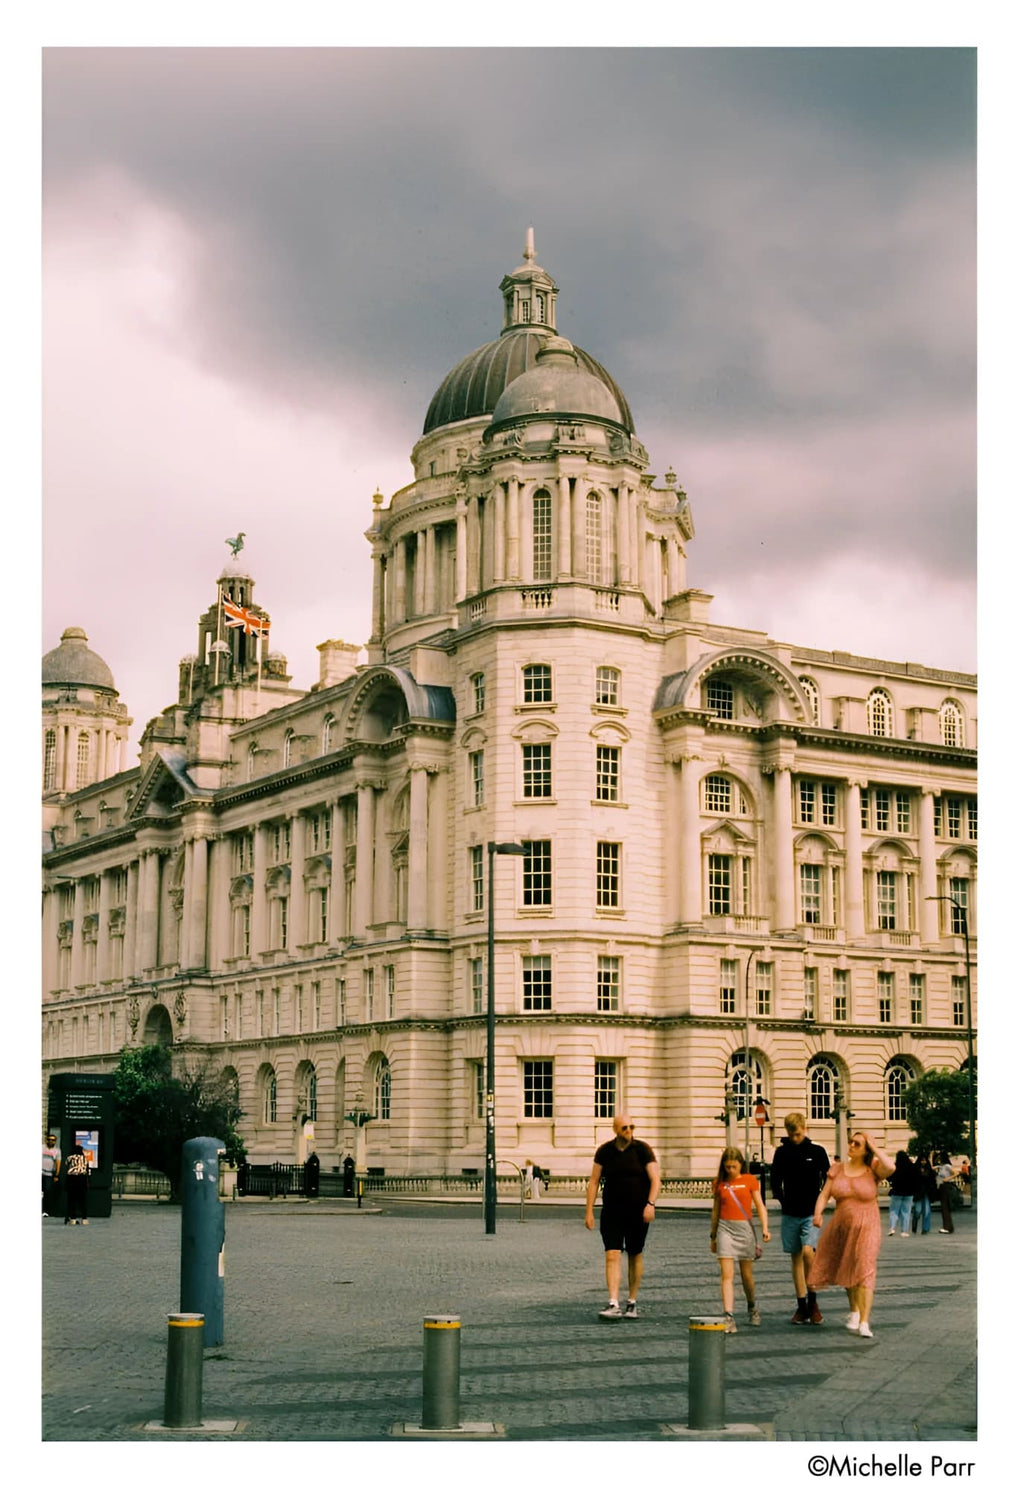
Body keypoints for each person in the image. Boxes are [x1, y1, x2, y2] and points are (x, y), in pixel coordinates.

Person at [808, 1130, 895, 1338]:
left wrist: (873, 1147)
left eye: (857, 1144)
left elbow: (891, 1167)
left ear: (865, 1149)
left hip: (868, 1224)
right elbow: (824, 1194)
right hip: (842, 1225)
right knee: (847, 1267)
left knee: (865, 1267)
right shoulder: (837, 1169)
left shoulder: (872, 1169)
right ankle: (854, 1310)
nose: (852, 1146)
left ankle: (864, 1321)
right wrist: (818, 1213)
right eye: (851, 1142)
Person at [584, 1113, 660, 1320]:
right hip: (612, 1211)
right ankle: (613, 1301)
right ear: (616, 1130)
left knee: (635, 1254)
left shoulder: (642, 1150)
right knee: (612, 1254)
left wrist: (650, 1204)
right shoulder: (605, 1151)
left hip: (638, 1212)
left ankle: (632, 1301)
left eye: (632, 1127)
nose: (629, 1131)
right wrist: (589, 1210)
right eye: (625, 1128)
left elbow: (655, 1179)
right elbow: (593, 1181)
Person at [770, 1112, 830, 1325]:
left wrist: (822, 1203)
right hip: (790, 1213)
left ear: (805, 1129)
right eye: (791, 1135)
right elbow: (775, 1180)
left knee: (807, 1252)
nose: (795, 1138)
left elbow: (829, 1177)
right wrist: (783, 1200)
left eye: (798, 1134)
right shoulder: (782, 1153)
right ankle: (801, 1304)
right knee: (795, 1258)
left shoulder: (817, 1151)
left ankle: (813, 1301)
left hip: (811, 1213)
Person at [710, 1147, 771, 1332]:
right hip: (725, 1228)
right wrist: (713, 1235)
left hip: (744, 1229)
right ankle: (728, 1315)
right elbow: (715, 1210)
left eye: (734, 1167)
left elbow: (760, 1205)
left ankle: (752, 1306)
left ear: (740, 1165)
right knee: (727, 1275)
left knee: (747, 1276)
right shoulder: (719, 1183)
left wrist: (765, 1227)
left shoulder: (749, 1180)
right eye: (727, 1167)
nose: (730, 1170)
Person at [886, 1151, 917, 1237]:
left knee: (894, 1211)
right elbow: (916, 1178)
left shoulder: (895, 1166)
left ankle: (892, 1228)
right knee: (906, 1212)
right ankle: (904, 1231)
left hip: (897, 1191)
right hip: (909, 1192)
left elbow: (888, 1177)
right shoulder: (911, 1166)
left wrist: (892, 1183)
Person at [63, 1142, 90, 1225]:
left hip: (72, 1179)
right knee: (82, 1200)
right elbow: (87, 1170)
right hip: (82, 1179)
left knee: (72, 1199)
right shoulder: (85, 1159)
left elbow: (66, 1166)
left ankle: (73, 1218)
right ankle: (84, 1219)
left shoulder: (70, 1158)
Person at [912, 1155, 936, 1234]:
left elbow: (933, 1180)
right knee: (918, 1210)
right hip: (918, 1192)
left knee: (927, 1211)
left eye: (924, 1160)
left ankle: (925, 1228)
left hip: (927, 1192)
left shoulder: (929, 1170)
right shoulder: (915, 1170)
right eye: (922, 1160)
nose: (923, 1162)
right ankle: (915, 1221)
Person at [935, 1152, 956, 1233]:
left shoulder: (947, 1166)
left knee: (945, 1206)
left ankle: (947, 1227)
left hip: (946, 1185)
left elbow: (956, 1173)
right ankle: (948, 1226)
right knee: (944, 1207)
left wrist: (948, 1178)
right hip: (942, 1186)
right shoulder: (942, 1167)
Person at [42, 1133, 61, 1217]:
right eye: (49, 1139)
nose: (51, 1141)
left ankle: (45, 1210)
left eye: (53, 1140)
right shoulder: (41, 1148)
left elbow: (58, 1163)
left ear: (55, 1141)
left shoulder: (57, 1151)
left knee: (47, 1192)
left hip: (49, 1173)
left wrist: (57, 1175)